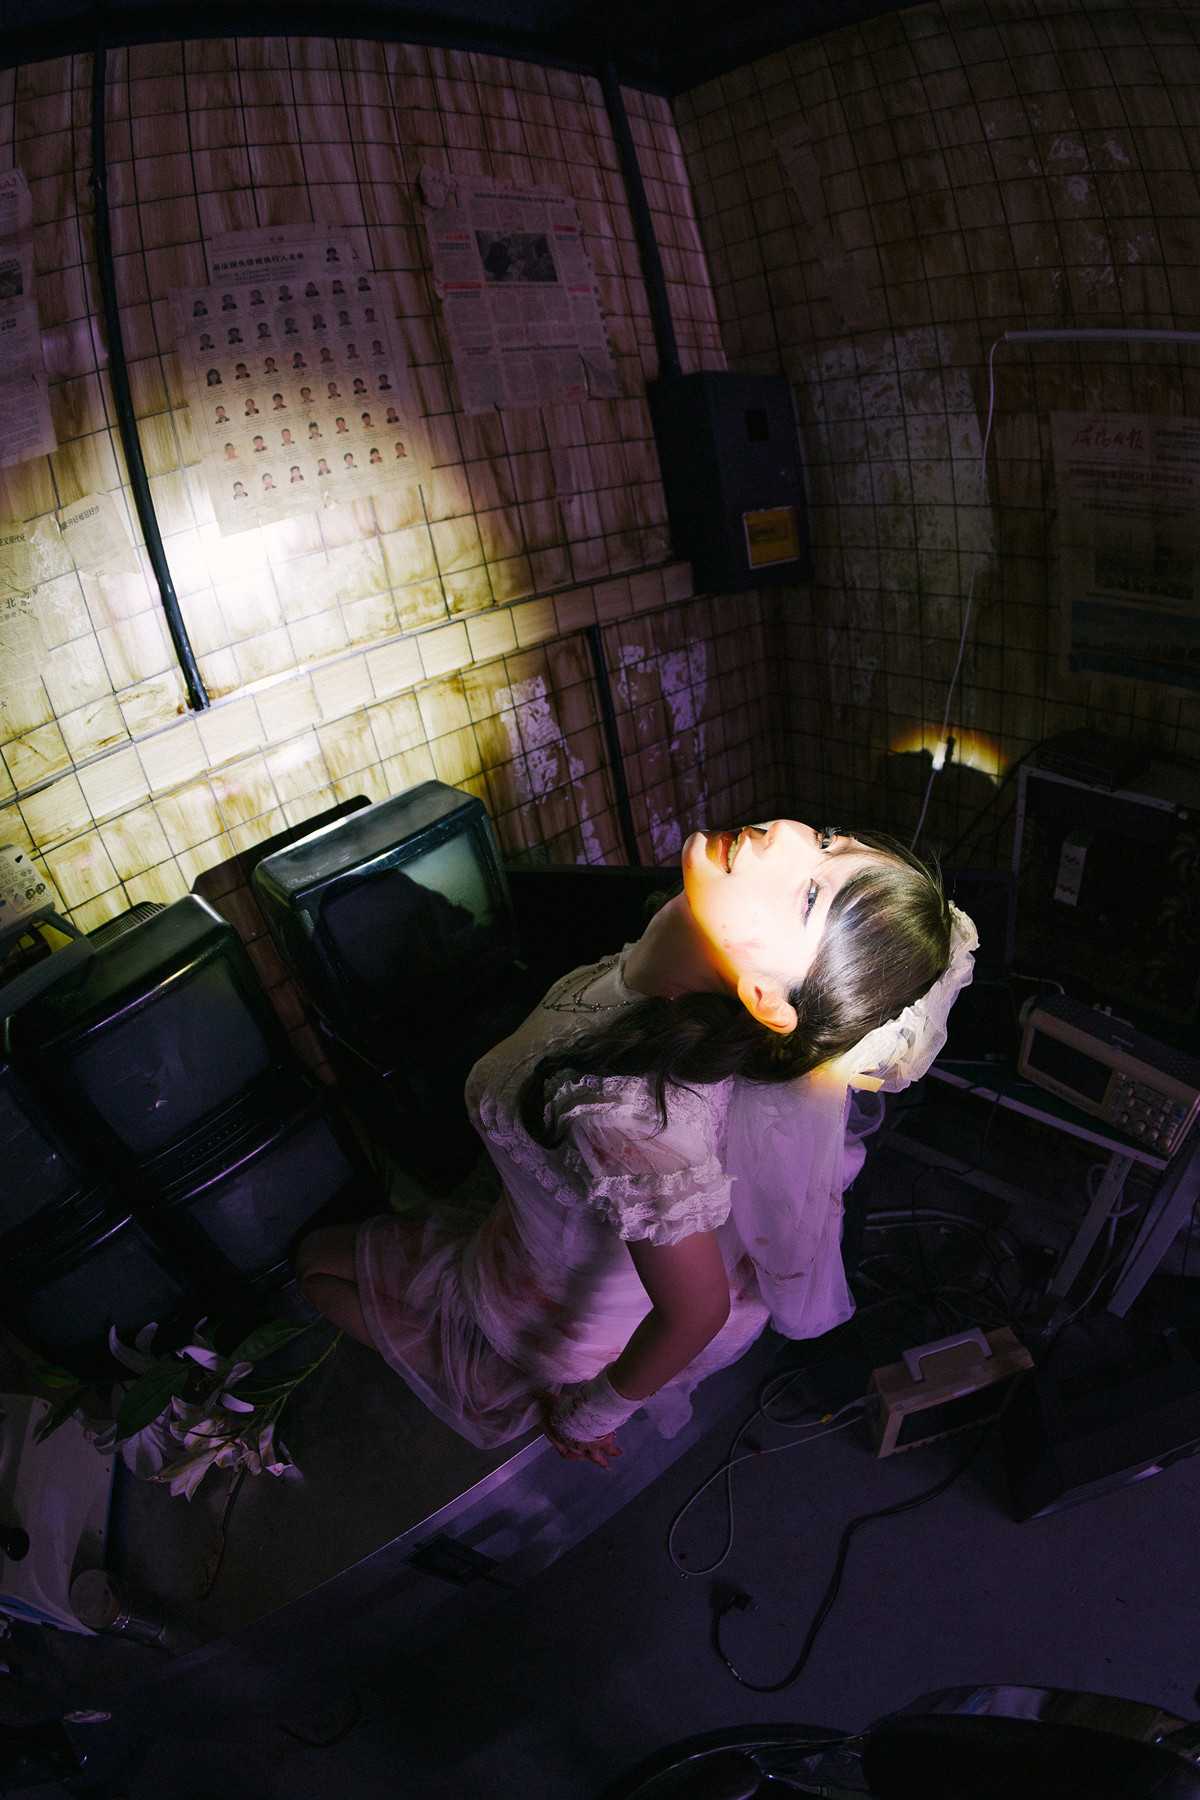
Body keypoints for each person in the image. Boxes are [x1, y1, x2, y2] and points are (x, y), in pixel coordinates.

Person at [296, 822, 977, 1466]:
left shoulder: (628, 1116)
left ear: (767, 999)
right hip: (531, 1233)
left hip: (551, 1307)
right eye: (827, 841)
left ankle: (508, 1386)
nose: (788, 839)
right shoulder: (669, 969)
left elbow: (698, 1311)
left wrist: (587, 1416)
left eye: (808, 897)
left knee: (314, 1268)